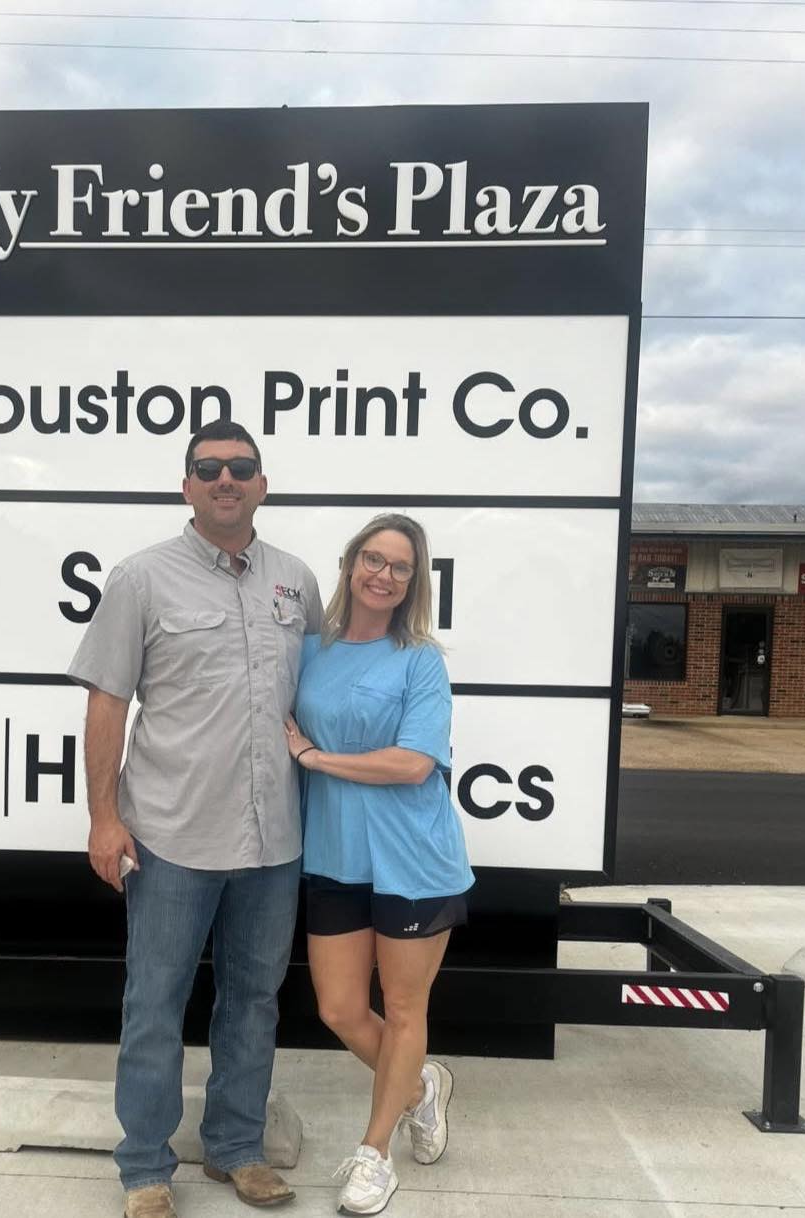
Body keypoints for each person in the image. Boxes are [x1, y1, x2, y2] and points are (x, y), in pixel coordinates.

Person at [68, 419, 323, 1218]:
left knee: (253, 999)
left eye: (240, 467)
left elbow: (317, 695)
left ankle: (236, 1149)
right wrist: (103, 820)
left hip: (273, 838)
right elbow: (107, 704)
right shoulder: (141, 579)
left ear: (262, 484)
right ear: (186, 485)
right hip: (172, 834)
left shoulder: (296, 581)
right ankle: (145, 1167)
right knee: (156, 1003)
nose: (225, 479)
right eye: (207, 468)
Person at [284, 513, 475, 1216]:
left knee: (401, 1009)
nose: (383, 574)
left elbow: (413, 762)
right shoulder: (311, 649)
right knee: (337, 1008)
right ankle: (422, 1088)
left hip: (413, 862)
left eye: (399, 567)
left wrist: (314, 757)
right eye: (373, 559)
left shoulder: (420, 659)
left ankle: (375, 1156)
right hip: (334, 855)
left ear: (413, 583)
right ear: (349, 564)